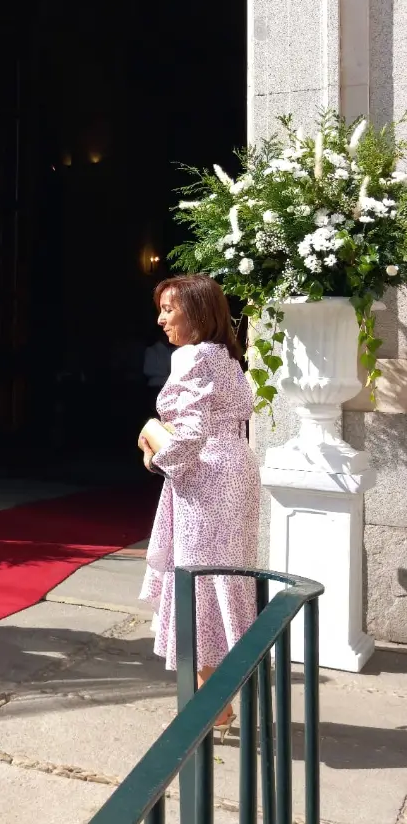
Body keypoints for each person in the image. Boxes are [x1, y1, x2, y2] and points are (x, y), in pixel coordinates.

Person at [137, 274, 257, 733]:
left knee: (203, 583)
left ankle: (215, 708)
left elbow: (183, 441)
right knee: (226, 582)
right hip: (234, 472)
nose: (162, 318)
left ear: (197, 311)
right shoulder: (225, 355)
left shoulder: (192, 355)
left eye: (170, 308)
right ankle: (221, 702)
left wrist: (150, 436)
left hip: (207, 479)